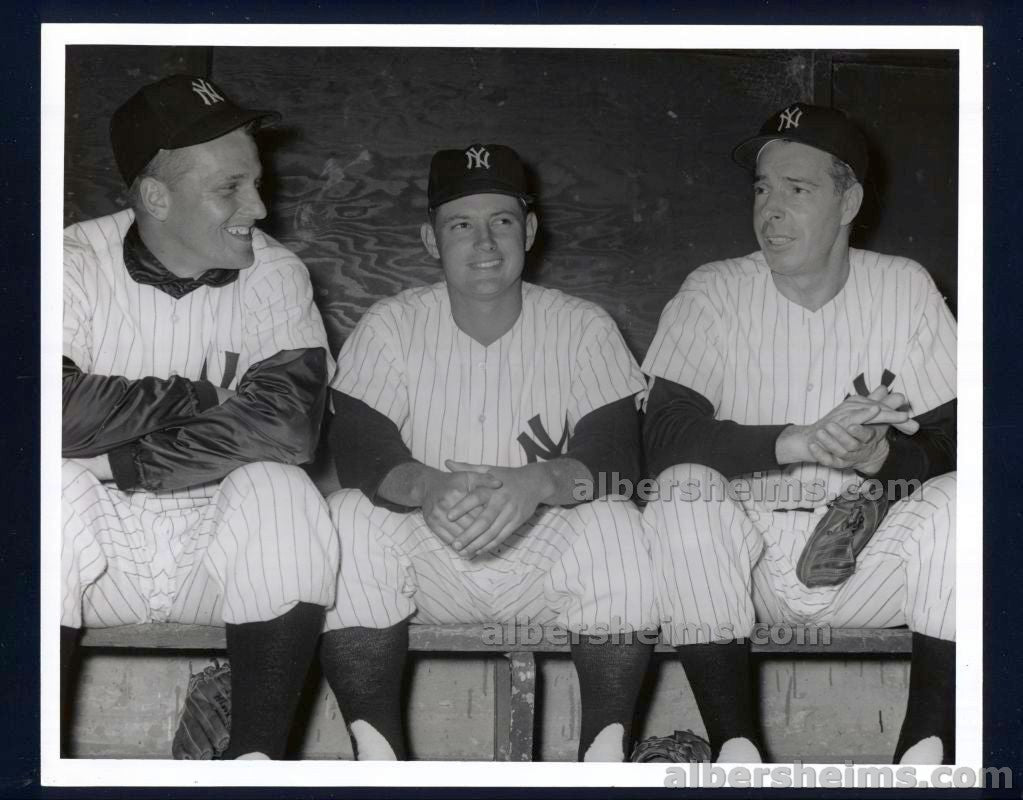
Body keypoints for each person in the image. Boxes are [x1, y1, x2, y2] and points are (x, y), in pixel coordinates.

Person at [319, 143, 658, 762]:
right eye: (461, 225)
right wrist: (425, 486)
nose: (484, 243)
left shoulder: (583, 325)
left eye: (501, 221)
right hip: (428, 564)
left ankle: (604, 754)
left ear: (528, 230)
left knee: (616, 523)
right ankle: (377, 756)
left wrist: (537, 483)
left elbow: (617, 462)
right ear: (430, 239)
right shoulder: (391, 324)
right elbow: (360, 450)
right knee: (345, 515)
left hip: (545, 564)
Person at [641, 103, 956, 764]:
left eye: (797, 188)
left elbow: (957, 438)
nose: (770, 208)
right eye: (761, 188)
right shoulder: (713, 291)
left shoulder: (903, 288)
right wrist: (794, 442)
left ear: (848, 202)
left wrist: (884, 457)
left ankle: (925, 753)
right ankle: (736, 751)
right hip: (741, 567)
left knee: (966, 498)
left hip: (866, 551)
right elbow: (663, 436)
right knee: (681, 491)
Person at [61, 74, 339, 760]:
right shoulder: (69, 259)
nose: (260, 206)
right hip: (95, 559)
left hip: (217, 554)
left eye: (255, 181)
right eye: (230, 189)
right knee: (43, 491)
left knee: (281, 488)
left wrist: (123, 457)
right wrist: (204, 395)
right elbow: (48, 411)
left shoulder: (275, 271)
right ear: (156, 196)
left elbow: (287, 424)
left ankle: (256, 764)